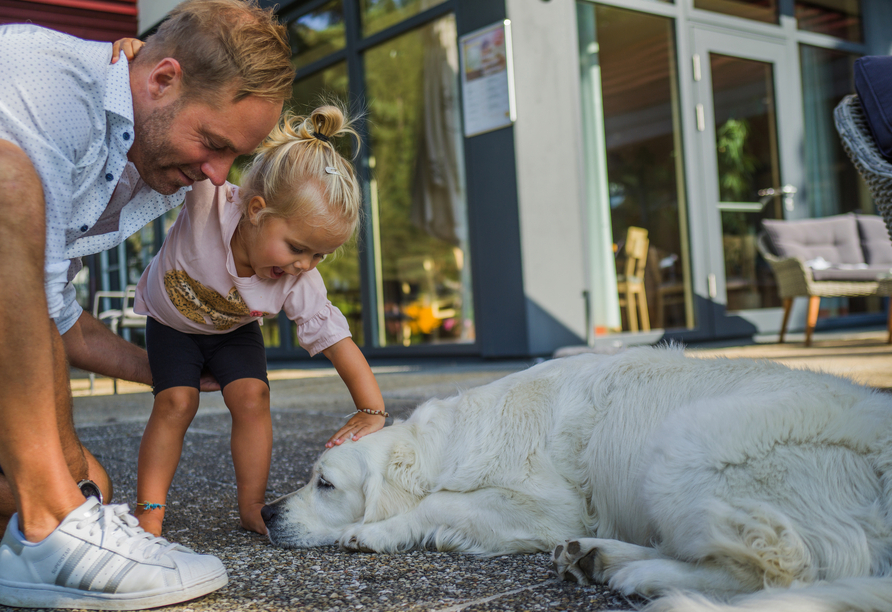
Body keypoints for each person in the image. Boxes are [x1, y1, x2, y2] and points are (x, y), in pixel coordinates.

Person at [0, 1, 293, 608]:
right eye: (212, 143)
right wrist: (61, 501)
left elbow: (46, 311)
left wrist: (162, 372)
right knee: (4, 180)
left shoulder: (139, 157)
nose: (218, 174)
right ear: (162, 79)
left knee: (88, 483)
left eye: (233, 156)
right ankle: (49, 525)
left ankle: (50, 522)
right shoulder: (45, 82)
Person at [132, 105, 388, 537]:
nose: (304, 264)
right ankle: (149, 512)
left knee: (253, 399)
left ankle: (252, 505)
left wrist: (371, 407)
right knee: (177, 402)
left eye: (318, 255)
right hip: (172, 324)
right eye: (296, 247)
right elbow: (175, 137)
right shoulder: (208, 200)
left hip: (233, 331)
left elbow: (335, 338)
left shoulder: (299, 277)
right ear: (255, 210)